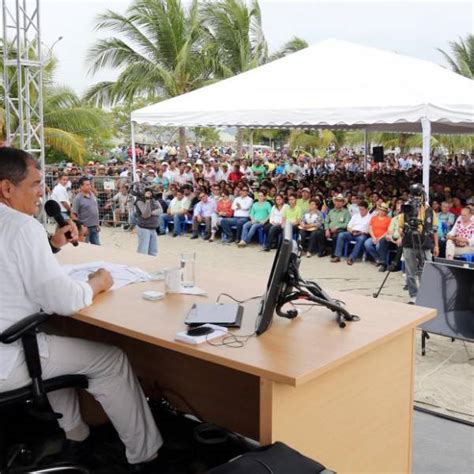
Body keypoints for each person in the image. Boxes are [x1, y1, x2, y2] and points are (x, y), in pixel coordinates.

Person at [0, 148, 163, 473]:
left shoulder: (20, 231)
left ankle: (76, 435)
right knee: (111, 360)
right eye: (33, 185)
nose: (40, 193)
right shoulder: (21, 227)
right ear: (6, 188)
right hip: (7, 359)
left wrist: (51, 246)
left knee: (54, 335)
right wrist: (98, 283)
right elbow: (64, 301)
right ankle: (147, 458)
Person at [398, 185, 439, 304]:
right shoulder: (406, 209)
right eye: (414, 195)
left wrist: (436, 245)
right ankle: (414, 296)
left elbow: (434, 230)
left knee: (425, 271)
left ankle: (425, 295)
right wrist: (402, 231)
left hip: (425, 244)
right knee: (410, 273)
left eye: (418, 195)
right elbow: (400, 227)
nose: (416, 198)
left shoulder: (430, 211)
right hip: (409, 244)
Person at [332, 200, 371, 265]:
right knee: (341, 235)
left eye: (362, 209)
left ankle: (351, 258)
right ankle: (337, 256)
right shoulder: (356, 215)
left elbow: (369, 230)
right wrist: (352, 231)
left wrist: (359, 233)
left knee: (361, 239)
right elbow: (348, 226)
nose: (361, 211)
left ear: (367, 209)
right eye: (360, 209)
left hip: (362, 234)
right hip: (352, 232)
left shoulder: (370, 217)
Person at [71, 177, 101, 245]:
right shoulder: (77, 199)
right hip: (85, 228)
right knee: (84, 247)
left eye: (89, 184)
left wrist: (97, 224)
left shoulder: (92, 195)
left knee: (98, 247)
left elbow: (95, 210)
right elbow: (73, 215)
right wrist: (81, 227)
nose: (89, 186)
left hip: (94, 226)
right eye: (87, 185)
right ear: (81, 186)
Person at [363, 203, 393, 271]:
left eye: (383, 211)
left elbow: (388, 231)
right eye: (380, 210)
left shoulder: (389, 219)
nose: (382, 212)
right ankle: (378, 259)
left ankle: (381, 261)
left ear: (386, 212)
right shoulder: (374, 218)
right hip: (374, 236)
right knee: (367, 243)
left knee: (378, 246)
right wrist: (373, 237)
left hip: (382, 237)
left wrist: (379, 238)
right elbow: (370, 228)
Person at [135, 189, 162, 256]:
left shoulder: (154, 200)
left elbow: (160, 210)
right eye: (147, 192)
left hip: (153, 228)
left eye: (150, 192)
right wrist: (147, 201)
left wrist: (151, 212)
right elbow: (146, 215)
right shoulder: (139, 201)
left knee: (153, 251)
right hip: (144, 228)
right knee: (143, 250)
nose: (150, 193)